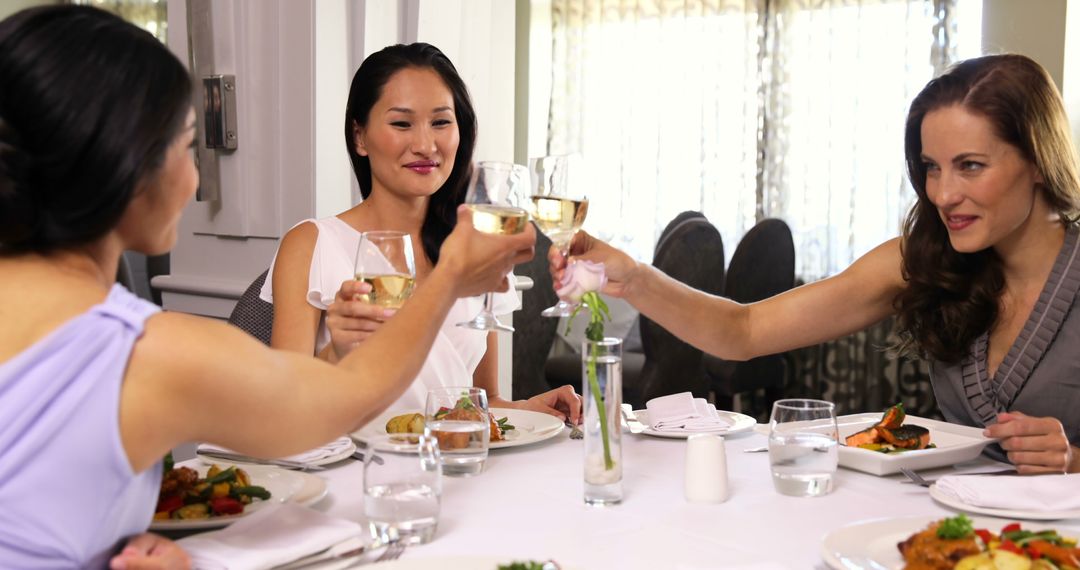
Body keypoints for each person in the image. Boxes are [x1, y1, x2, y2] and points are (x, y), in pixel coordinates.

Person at [0, 6, 535, 568]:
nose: (196, 176)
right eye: (186, 146)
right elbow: (331, 403)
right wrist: (451, 277)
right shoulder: (143, 353)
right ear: (121, 165)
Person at [552, 54, 1080, 475]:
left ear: (1036, 159)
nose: (942, 193)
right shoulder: (922, 258)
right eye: (931, 168)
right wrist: (635, 278)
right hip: (956, 535)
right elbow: (746, 329)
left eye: (970, 166)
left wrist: (1073, 460)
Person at [263, 43, 580, 422]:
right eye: (401, 124)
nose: (426, 145)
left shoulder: (475, 246)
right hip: (359, 470)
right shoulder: (312, 246)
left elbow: (483, 400)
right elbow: (282, 409)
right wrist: (337, 353)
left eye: (441, 122)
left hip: (459, 468)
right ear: (360, 137)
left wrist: (530, 410)